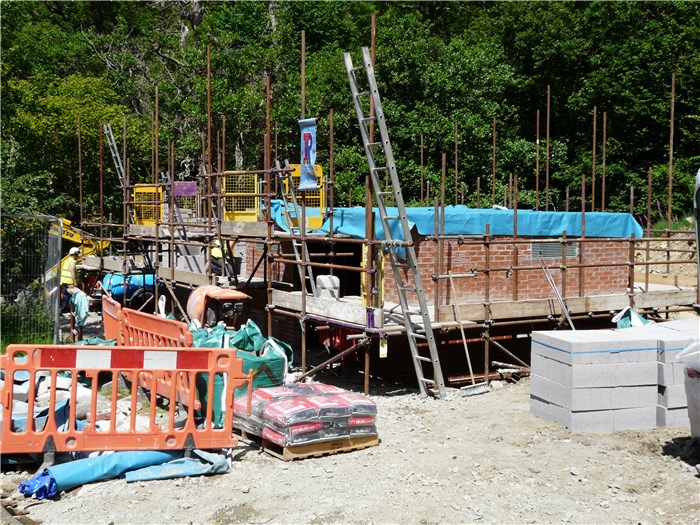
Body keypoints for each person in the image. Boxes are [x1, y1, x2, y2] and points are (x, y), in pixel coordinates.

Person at [60, 247, 81, 311]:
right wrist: (75, 281)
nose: (77, 256)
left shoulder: (67, 260)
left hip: (64, 281)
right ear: (74, 254)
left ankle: (62, 309)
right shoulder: (73, 261)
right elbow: (72, 270)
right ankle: (64, 309)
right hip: (69, 281)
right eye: (77, 255)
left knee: (65, 296)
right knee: (70, 296)